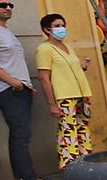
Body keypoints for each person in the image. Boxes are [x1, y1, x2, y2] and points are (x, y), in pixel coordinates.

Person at [0, 0, 58, 180]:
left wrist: (25, 85)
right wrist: (14, 82)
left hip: (19, 89)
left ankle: (25, 176)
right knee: (20, 134)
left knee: (22, 133)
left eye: (10, 4)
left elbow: (10, 62)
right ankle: (28, 179)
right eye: (2, 5)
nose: (8, 8)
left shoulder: (4, 30)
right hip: (7, 90)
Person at [34, 14, 95, 170]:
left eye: (63, 25)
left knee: (82, 128)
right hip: (64, 96)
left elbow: (68, 69)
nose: (61, 29)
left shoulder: (67, 47)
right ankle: (70, 165)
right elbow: (44, 77)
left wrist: (82, 65)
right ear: (47, 29)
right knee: (68, 131)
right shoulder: (44, 49)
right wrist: (52, 104)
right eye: (57, 26)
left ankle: (85, 161)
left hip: (80, 94)